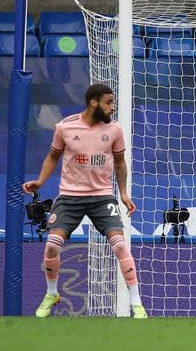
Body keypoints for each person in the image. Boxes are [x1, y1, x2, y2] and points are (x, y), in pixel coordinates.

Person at [22, 84, 147, 319]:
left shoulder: (115, 130)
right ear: (93, 102)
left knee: (120, 245)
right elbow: (53, 157)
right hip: (70, 197)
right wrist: (39, 182)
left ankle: (136, 303)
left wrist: (123, 193)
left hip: (101, 197)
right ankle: (51, 294)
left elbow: (120, 163)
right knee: (51, 246)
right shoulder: (65, 127)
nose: (113, 107)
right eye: (109, 102)